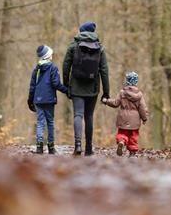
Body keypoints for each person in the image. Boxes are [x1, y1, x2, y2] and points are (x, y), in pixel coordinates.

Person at [62, 21, 110, 155]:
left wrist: (66, 85)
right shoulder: (100, 48)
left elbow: (66, 67)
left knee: (78, 114)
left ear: (81, 31)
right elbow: (104, 71)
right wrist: (106, 92)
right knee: (89, 116)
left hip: (76, 87)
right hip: (92, 88)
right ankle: (88, 148)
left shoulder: (73, 46)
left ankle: (78, 145)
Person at [27, 44, 70, 154]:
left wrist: (30, 100)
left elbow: (32, 86)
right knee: (50, 122)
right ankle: (51, 147)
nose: (52, 56)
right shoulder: (53, 68)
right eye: (50, 54)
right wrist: (67, 90)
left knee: (40, 122)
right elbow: (56, 84)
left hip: (38, 99)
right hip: (49, 99)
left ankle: (39, 147)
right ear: (47, 56)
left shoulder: (36, 69)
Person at [102, 71, 149, 156]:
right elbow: (142, 108)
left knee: (122, 132)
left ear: (127, 81)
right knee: (133, 136)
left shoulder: (122, 92)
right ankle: (132, 152)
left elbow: (115, 103)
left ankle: (122, 141)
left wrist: (106, 101)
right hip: (135, 120)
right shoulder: (139, 95)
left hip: (123, 118)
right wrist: (144, 118)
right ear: (136, 82)